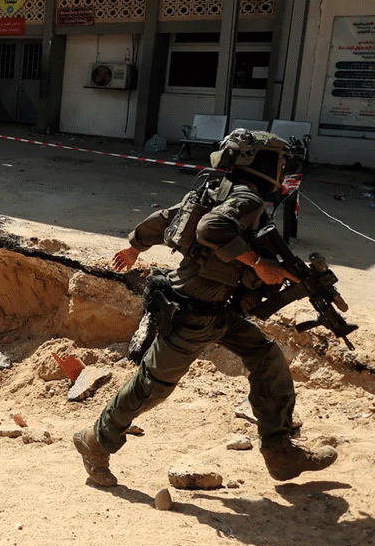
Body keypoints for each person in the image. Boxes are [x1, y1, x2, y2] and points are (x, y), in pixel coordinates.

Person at [73, 130, 338, 487]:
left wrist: (136, 246)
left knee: (266, 356)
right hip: (194, 314)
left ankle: (280, 452)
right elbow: (210, 229)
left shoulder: (216, 189)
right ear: (258, 162)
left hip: (217, 310)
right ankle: (95, 442)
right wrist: (259, 263)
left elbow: (168, 219)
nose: (282, 168)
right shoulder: (247, 199)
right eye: (279, 161)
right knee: (152, 386)